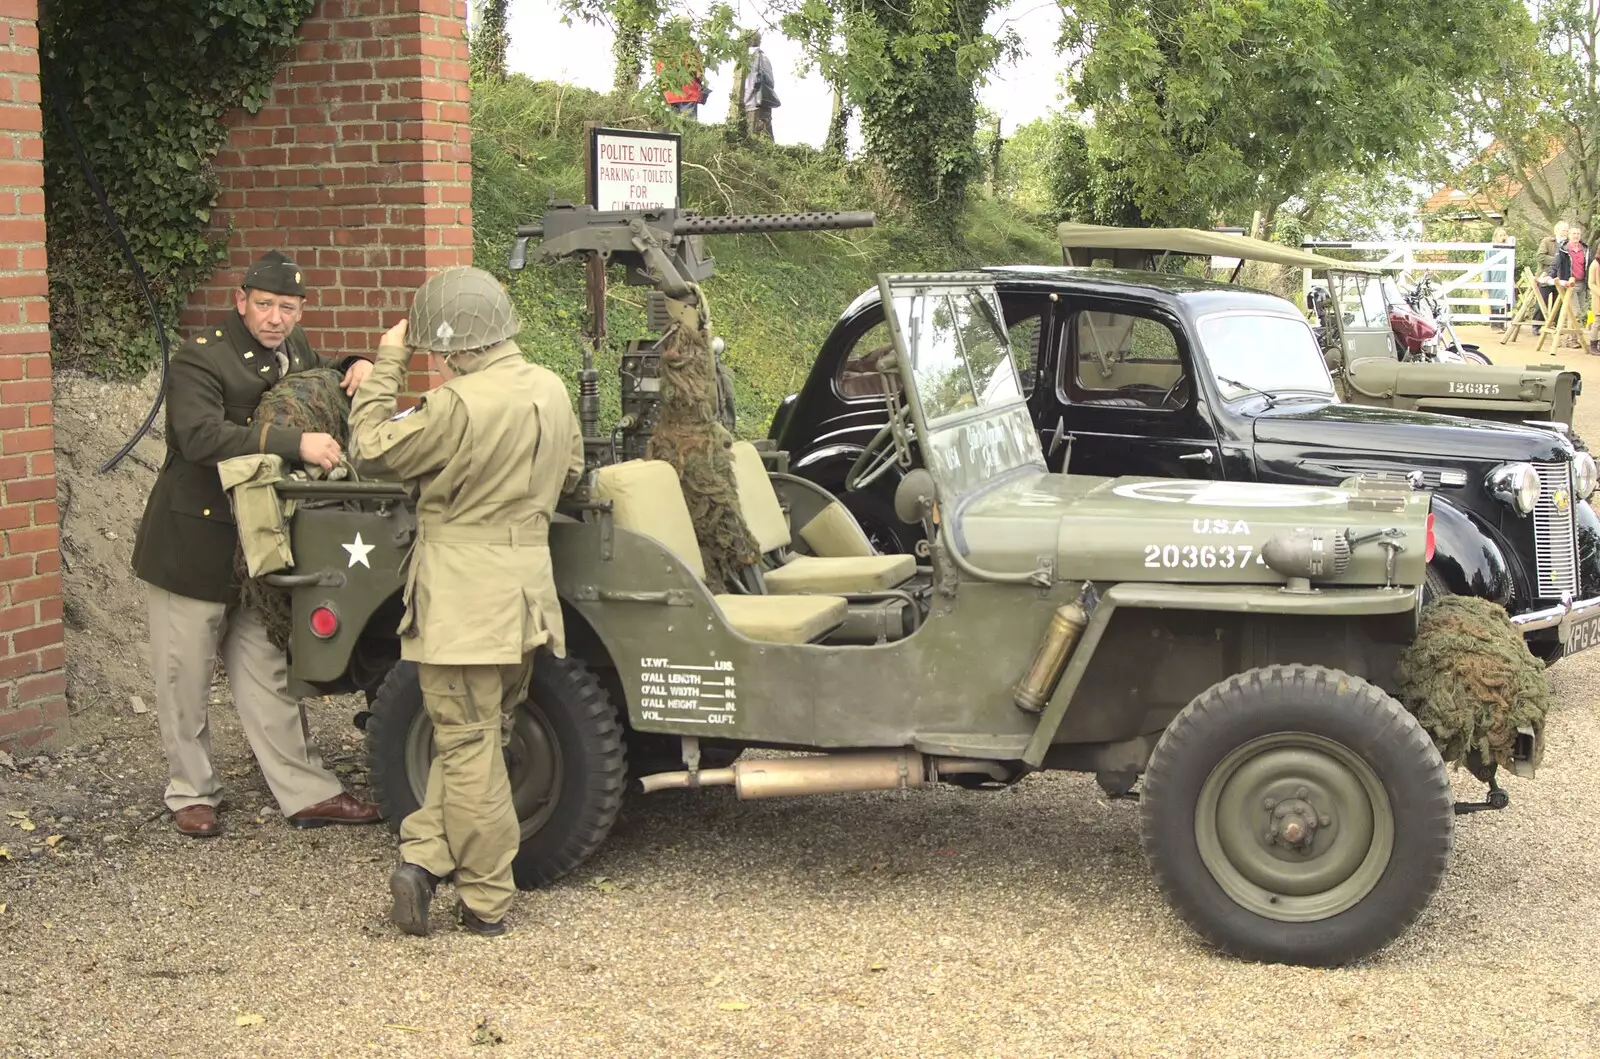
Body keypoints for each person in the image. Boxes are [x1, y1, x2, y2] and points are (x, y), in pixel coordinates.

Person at [348, 267, 583, 938]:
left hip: (462, 598)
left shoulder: (456, 404)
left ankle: (486, 898)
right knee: (479, 740)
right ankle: (423, 859)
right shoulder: (551, 388)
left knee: (466, 742)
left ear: (455, 347)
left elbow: (369, 449)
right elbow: (568, 473)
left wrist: (388, 365)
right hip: (523, 597)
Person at [130, 251, 382, 838]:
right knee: (184, 677)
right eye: (264, 305)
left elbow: (321, 371)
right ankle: (191, 792)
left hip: (259, 546)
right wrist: (296, 443)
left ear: (300, 310)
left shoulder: (292, 349)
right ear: (241, 301)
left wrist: (358, 362)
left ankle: (306, 791)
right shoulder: (201, 359)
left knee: (268, 670)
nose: (275, 318)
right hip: (193, 542)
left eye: (287, 307)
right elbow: (198, 435)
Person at [1556, 222, 1590, 348]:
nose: (1576, 236)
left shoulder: (1585, 249)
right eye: (1574, 233)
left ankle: (1565, 336)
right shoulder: (1563, 249)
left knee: (1581, 311)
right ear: (1569, 235)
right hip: (1570, 283)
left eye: (1578, 234)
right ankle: (1572, 339)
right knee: (1574, 312)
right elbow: (1556, 264)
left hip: (1582, 283)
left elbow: (1589, 265)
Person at [742, 31, 780, 141]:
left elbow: (751, 82)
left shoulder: (748, 57)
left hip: (751, 103)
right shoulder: (764, 58)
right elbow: (770, 82)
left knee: (751, 140)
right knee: (766, 139)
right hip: (764, 101)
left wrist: (744, 100)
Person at [1535, 220, 1568, 337]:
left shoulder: (1568, 244)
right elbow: (1540, 256)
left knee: (1558, 302)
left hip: (1560, 277)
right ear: (1557, 231)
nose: (1565, 232)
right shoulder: (1547, 241)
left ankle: (1555, 326)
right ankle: (1536, 325)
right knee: (1541, 300)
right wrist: (1557, 260)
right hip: (1545, 275)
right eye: (1563, 230)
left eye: (1567, 230)